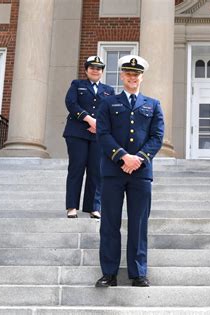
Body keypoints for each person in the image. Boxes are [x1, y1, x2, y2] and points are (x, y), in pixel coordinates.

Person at [95, 55, 164, 287]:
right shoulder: (107, 103)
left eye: (136, 74)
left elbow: (156, 137)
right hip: (113, 172)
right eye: (128, 74)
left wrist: (139, 159)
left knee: (138, 224)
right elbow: (103, 134)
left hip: (141, 173)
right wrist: (123, 156)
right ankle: (109, 273)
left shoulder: (153, 104)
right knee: (110, 224)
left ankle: (138, 273)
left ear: (141, 77)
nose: (132, 77)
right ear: (122, 76)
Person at [63, 56, 115, 219]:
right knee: (76, 169)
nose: (95, 70)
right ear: (86, 70)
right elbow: (71, 103)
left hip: (97, 136)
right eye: (92, 67)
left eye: (99, 68)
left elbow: (110, 111)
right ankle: (72, 207)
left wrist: (100, 125)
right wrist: (89, 119)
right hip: (77, 133)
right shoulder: (77, 85)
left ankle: (94, 207)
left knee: (96, 171)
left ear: (102, 72)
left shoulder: (108, 90)